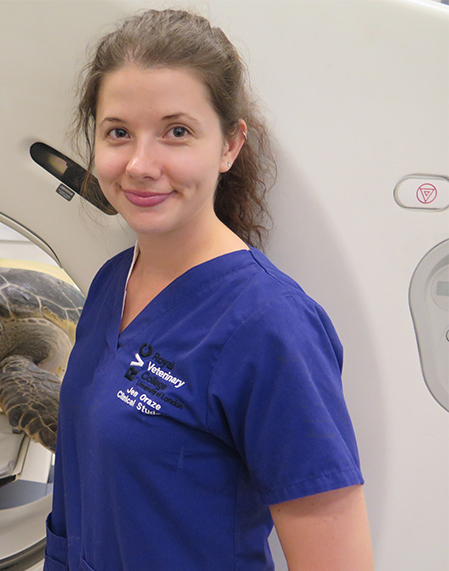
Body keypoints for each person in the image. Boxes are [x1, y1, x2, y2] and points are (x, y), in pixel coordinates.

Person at [45, 9, 373, 570]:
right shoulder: (109, 283)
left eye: (177, 132)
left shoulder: (271, 325)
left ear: (229, 144)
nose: (141, 165)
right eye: (118, 132)